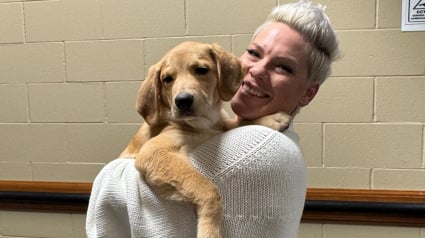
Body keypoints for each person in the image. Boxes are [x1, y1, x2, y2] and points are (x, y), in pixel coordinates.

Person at [86, 1, 340, 237]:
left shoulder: (261, 149)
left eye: (283, 67)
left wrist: (208, 202)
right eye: (254, 53)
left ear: (308, 93)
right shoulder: (241, 129)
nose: (256, 70)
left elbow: (122, 185)